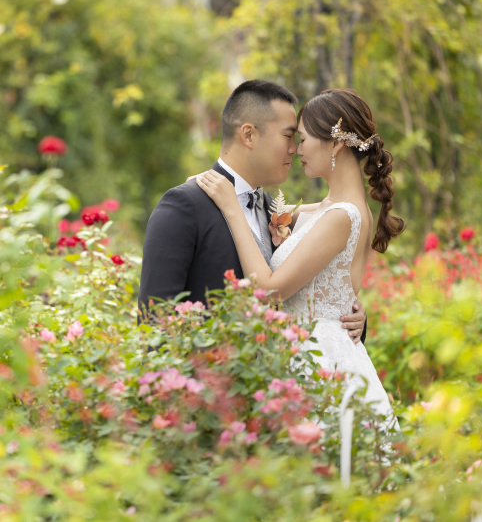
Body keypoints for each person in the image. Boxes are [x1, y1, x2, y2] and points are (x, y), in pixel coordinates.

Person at [196, 88, 403, 421]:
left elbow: (270, 291)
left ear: (336, 143)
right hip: (311, 352)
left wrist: (231, 208)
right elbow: (264, 213)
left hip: (319, 362)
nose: (296, 149)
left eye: (303, 139)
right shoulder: (328, 209)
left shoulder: (342, 215)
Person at [138, 80, 367, 343]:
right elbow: (154, 322)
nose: (295, 149)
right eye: (288, 136)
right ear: (249, 135)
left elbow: (311, 287)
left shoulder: (274, 212)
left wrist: (352, 315)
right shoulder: (184, 205)